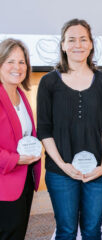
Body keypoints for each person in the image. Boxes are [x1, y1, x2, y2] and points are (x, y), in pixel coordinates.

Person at [37, 19, 102, 240]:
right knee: (66, 231)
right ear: (62, 45)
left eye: (83, 39)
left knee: (92, 230)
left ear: (91, 44)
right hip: (60, 172)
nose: (77, 44)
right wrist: (63, 165)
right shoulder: (48, 83)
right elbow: (44, 129)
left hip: (99, 171)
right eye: (71, 39)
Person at [0, 38, 41, 240]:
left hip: (25, 178)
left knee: (18, 233)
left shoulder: (21, 95)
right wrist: (14, 159)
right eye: (10, 61)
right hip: (4, 181)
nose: (17, 67)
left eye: (22, 62)